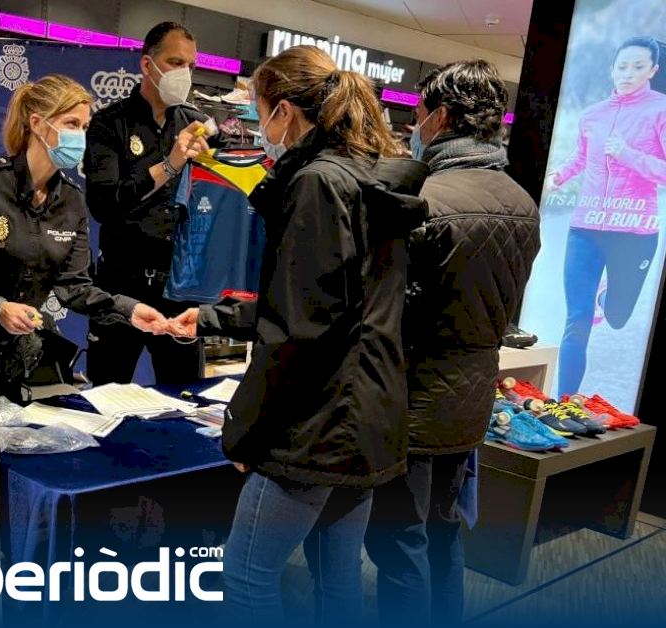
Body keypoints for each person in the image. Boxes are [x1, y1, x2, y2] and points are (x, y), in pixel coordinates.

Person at [168, 46, 429, 622]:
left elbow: (299, 330)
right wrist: (216, 318)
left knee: (246, 576)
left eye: (259, 111)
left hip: (317, 423)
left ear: (284, 111)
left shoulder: (317, 182)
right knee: (337, 580)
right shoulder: (369, 176)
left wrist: (245, 431)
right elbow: (337, 301)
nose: (259, 126)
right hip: (369, 414)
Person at [363, 60, 540, 625]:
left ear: (439, 117)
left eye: (418, 113)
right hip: (474, 392)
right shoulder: (523, 203)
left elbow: (389, 308)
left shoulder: (425, 199)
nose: (414, 126)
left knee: (398, 540)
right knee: (444, 530)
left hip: (411, 394)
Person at [0, 75, 169, 400]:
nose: (80, 135)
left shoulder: (71, 199)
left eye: (84, 126)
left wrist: (129, 310)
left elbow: (74, 286)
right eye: (71, 124)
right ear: (37, 123)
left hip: (24, 356)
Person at [83, 21, 213, 385]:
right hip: (121, 285)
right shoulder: (108, 124)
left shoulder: (198, 125)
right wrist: (169, 165)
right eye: (175, 62)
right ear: (147, 64)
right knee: (107, 396)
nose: (184, 74)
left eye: (191, 65)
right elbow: (103, 204)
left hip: (180, 288)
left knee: (185, 395)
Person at [545, 36, 666, 396]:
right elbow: (581, 158)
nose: (628, 73)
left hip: (635, 231)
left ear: (652, 71)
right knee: (576, 320)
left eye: (638, 67)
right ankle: (563, 401)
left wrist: (629, 155)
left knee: (617, 316)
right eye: (622, 66)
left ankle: (606, 300)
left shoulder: (661, 110)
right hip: (586, 227)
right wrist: (557, 176)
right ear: (612, 69)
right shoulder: (593, 114)